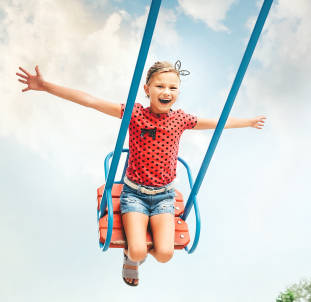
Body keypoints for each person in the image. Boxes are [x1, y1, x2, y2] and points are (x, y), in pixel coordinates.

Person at [16, 61, 266, 286]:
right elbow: (91, 101)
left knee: (166, 254)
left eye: (173, 88)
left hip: (164, 197)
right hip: (134, 194)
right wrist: (46, 86)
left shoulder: (180, 120)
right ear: (147, 89)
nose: (166, 92)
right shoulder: (134, 114)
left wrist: (248, 121)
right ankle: (130, 258)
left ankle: (140, 247)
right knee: (137, 251)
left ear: (178, 92)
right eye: (160, 86)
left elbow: (217, 123)